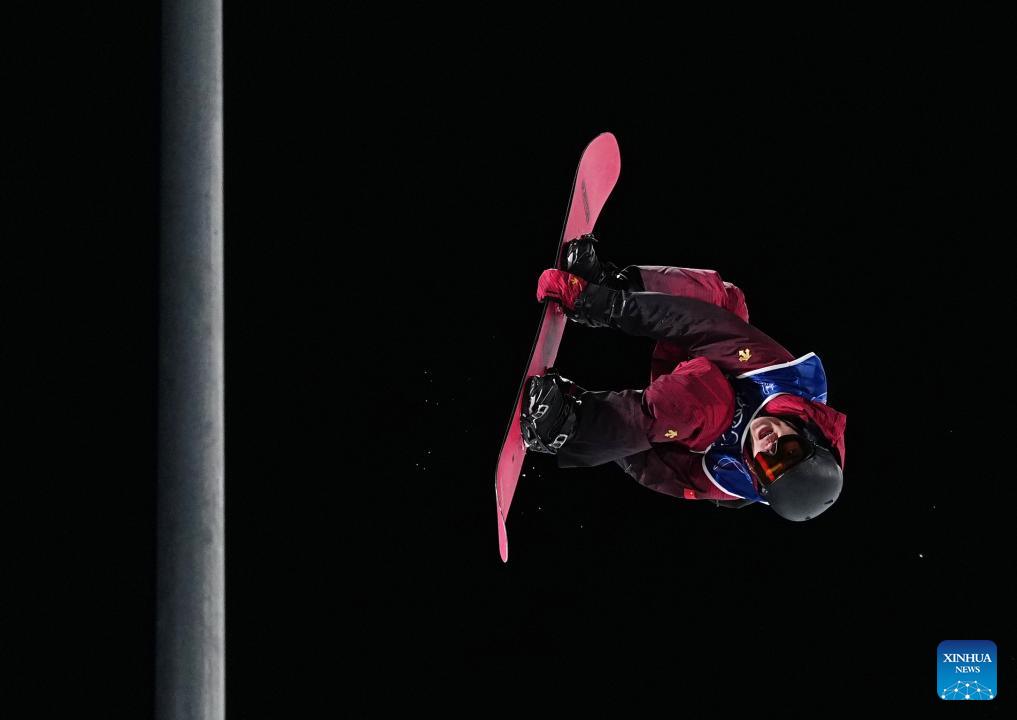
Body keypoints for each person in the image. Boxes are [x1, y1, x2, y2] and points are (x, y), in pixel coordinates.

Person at [521, 234, 846, 521]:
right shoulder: (789, 381)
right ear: (809, 438)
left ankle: (564, 424)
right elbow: (701, 326)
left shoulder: (729, 477)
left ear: (756, 476)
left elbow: (656, 469)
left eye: (770, 465)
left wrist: (575, 429)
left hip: (679, 416)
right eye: (790, 450)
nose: (770, 445)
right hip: (696, 355)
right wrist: (602, 303)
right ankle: (609, 281)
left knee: (713, 402)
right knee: (726, 300)